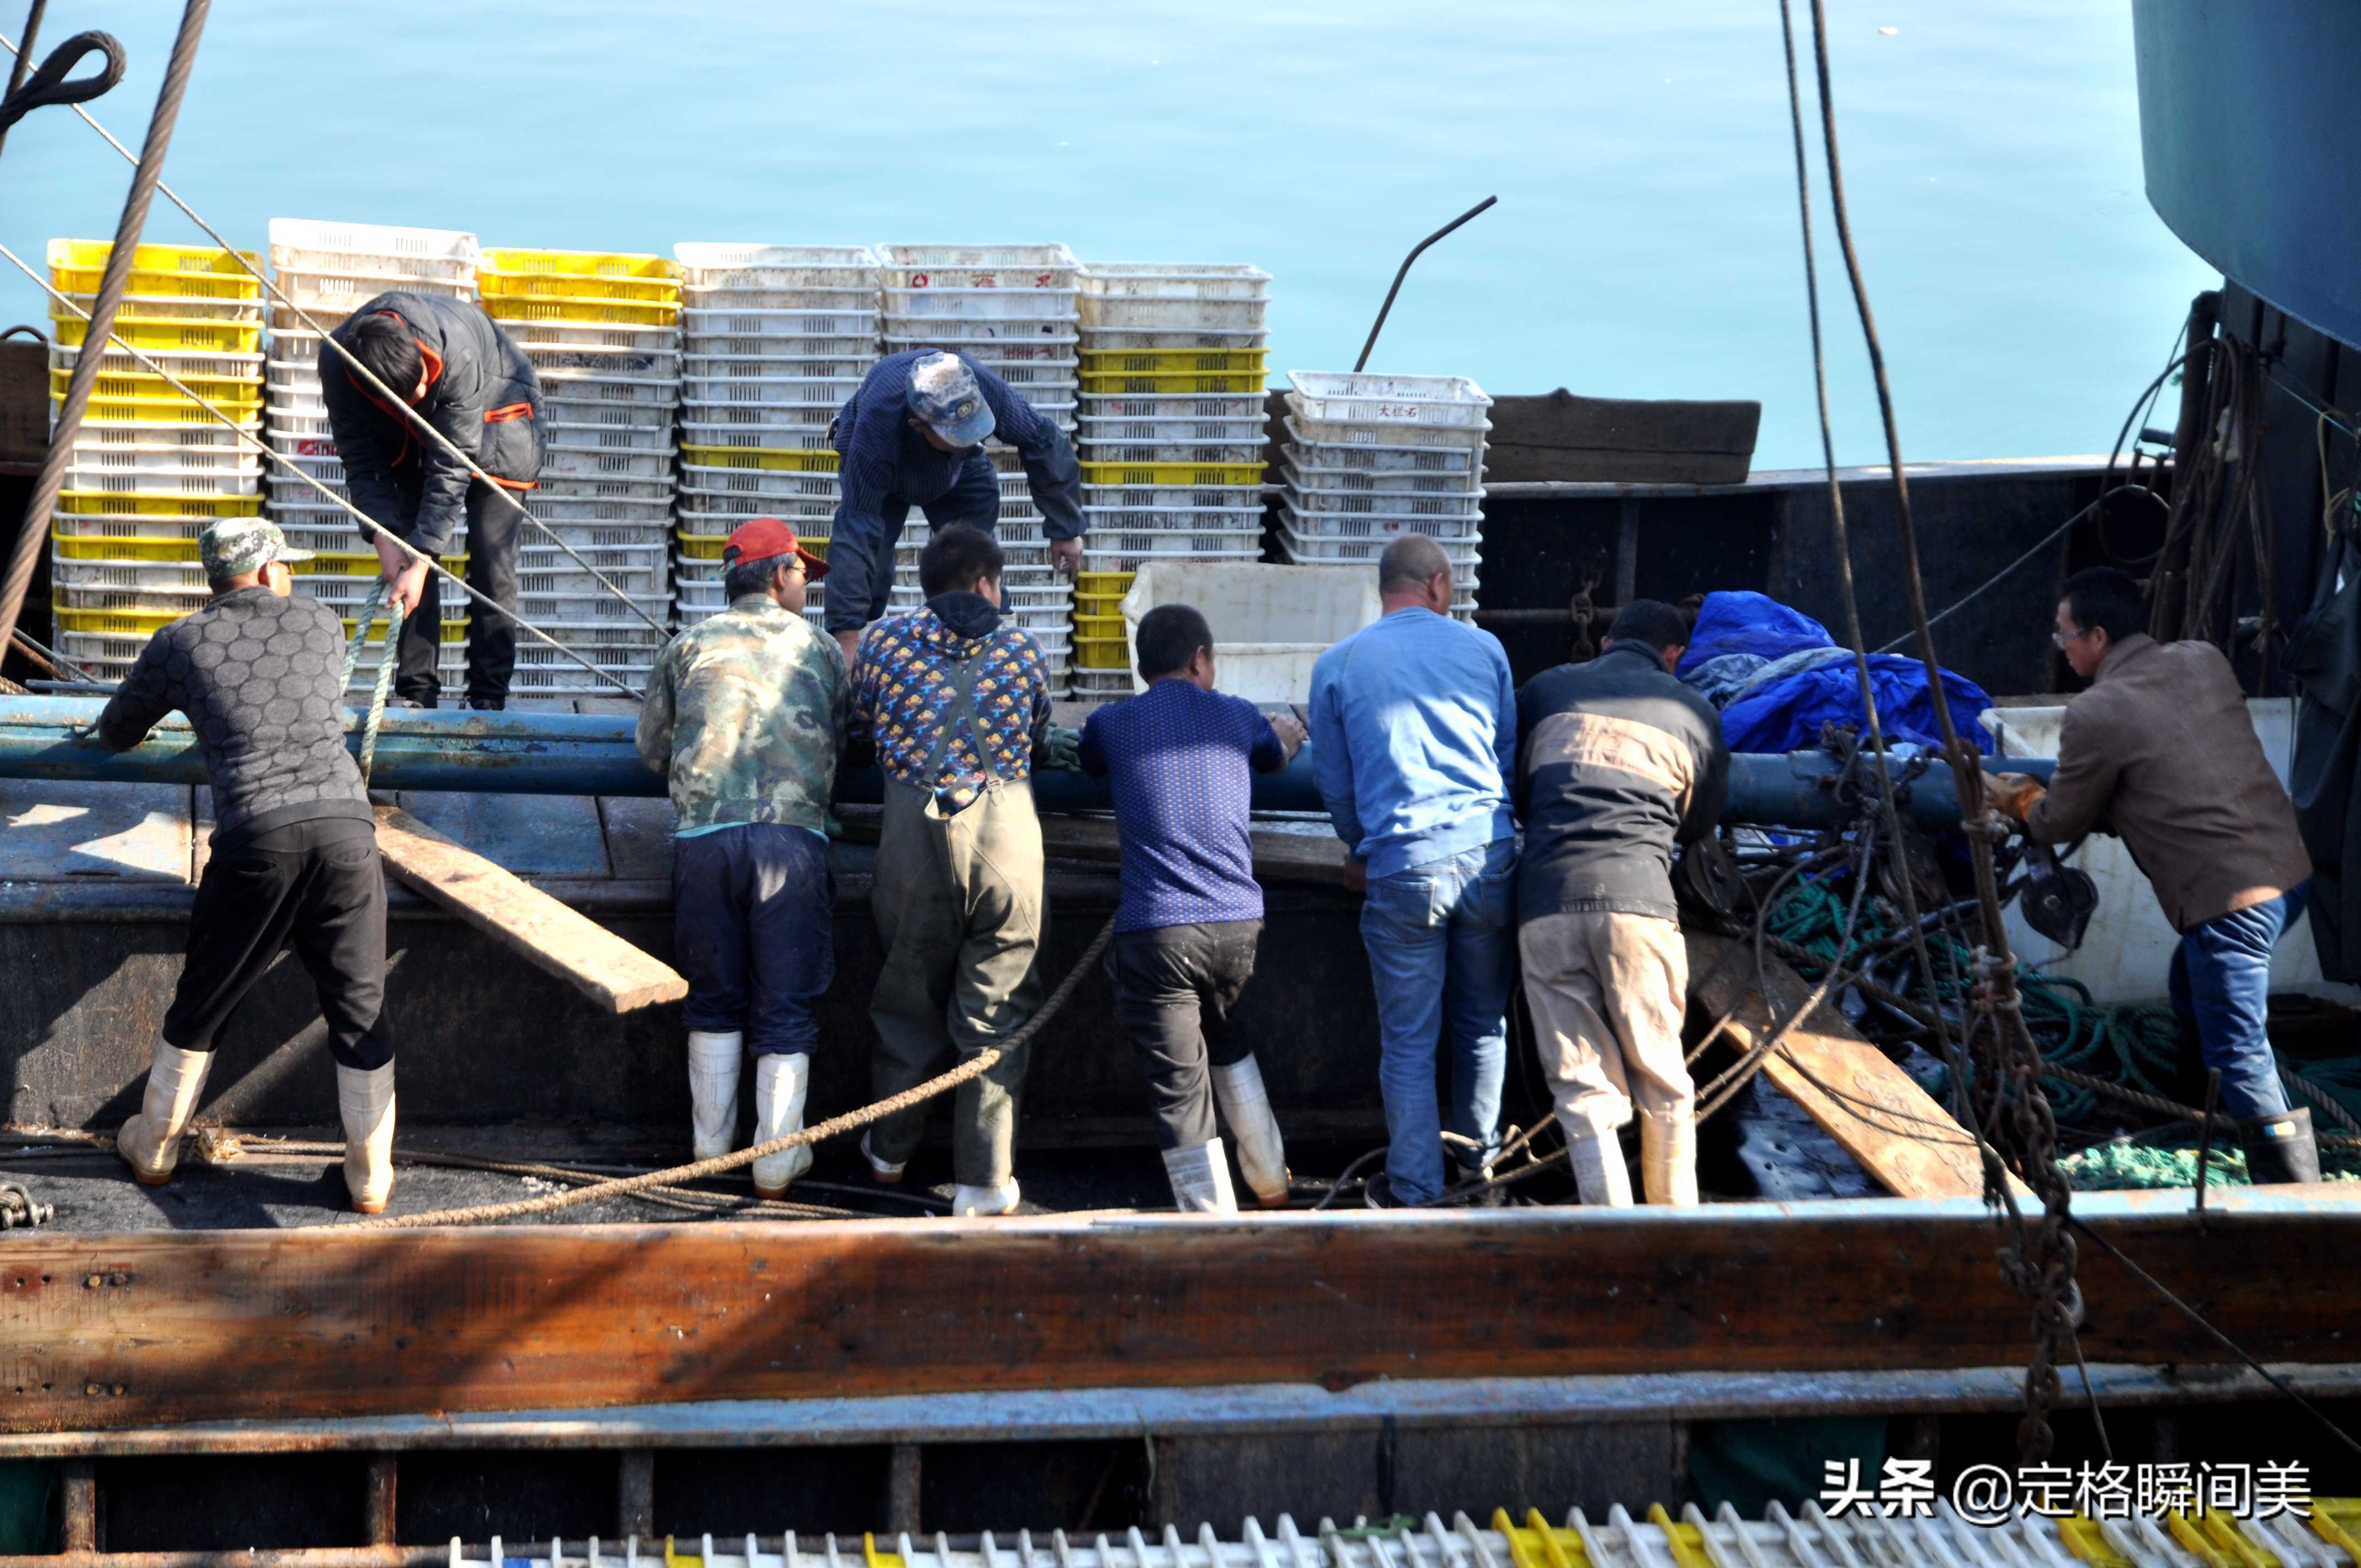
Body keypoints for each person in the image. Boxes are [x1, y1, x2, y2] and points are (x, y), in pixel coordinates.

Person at [84, 519, 397, 1212]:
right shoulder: (320, 623)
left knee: (205, 1001)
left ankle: (156, 1142)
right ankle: (370, 1175)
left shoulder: (179, 642)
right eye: (286, 565)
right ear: (265, 573)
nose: (291, 576)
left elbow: (116, 730)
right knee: (358, 1003)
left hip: (258, 837)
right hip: (347, 830)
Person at [1988, 566, 2320, 1182]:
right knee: (2189, 985)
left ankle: (2297, 1200)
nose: (2060, 648)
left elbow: (2058, 821)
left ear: (2097, 637)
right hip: (2289, 876)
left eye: (2064, 637)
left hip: (2231, 906)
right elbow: (2177, 749)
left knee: (2242, 1054)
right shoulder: (2202, 660)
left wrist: (2019, 799)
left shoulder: (2096, 712)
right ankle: (2204, 1117)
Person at [848, 523, 1067, 1216]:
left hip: (913, 841)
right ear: (984, 583)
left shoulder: (882, 643)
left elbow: (860, 723)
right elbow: (1037, 734)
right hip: (1006, 839)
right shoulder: (1022, 648)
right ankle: (983, 1180)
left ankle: (888, 1154)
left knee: (906, 1002)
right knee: (997, 1013)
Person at [635, 518, 845, 1197]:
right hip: (793, 842)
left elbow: (651, 749)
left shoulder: (688, 644)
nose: (807, 584)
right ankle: (777, 1163)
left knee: (714, 1000)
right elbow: (847, 737)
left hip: (704, 843)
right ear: (780, 573)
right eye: (803, 573)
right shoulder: (820, 648)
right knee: (785, 1005)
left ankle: (708, 1148)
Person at [1307, 534, 1519, 1207]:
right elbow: (1505, 759)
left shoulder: (1337, 663)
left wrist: (1360, 846)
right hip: (1489, 855)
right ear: (1438, 586)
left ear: (1384, 590)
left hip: (1402, 869)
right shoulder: (1486, 649)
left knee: (1407, 1043)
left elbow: (1335, 785)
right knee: (1483, 1023)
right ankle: (1478, 1173)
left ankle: (1416, 1190)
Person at [1078, 603, 1307, 1213]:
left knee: (1181, 1091)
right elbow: (1274, 751)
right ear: (1200, 659)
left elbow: (1087, 759)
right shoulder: (1235, 714)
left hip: (1156, 934)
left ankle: (1209, 1226)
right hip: (1237, 925)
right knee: (1230, 1040)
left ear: (1140, 664)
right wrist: (1284, 740)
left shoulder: (1112, 722)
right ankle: (1270, 1183)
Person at [1514, 600, 1729, 1207]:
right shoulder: (1694, 709)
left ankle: (1608, 1230)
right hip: (1640, 905)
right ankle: (1675, 1228)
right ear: (1673, 656)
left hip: (1546, 902)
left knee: (1581, 1088)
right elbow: (1700, 819)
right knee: (1662, 1079)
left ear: (1606, 641)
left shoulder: (1544, 690)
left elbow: (1521, 791)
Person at [319, 292, 546, 711]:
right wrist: (385, 541)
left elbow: (451, 467)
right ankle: (416, 695)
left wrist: (424, 555)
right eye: (411, 391)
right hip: (405, 438)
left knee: (492, 565)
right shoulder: (336, 362)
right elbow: (360, 457)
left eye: (422, 379)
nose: (423, 389)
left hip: (498, 418)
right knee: (404, 565)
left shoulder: (453, 352)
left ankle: (488, 698)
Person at [825, 349, 1084, 667]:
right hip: (884, 467)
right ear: (919, 426)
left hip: (959, 469)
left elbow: (1042, 440)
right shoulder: (877, 426)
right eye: (957, 434)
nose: (967, 438)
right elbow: (856, 532)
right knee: (873, 565)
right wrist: (847, 638)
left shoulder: (977, 384)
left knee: (972, 559)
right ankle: (865, 659)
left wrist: (1066, 529)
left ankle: (991, 657)